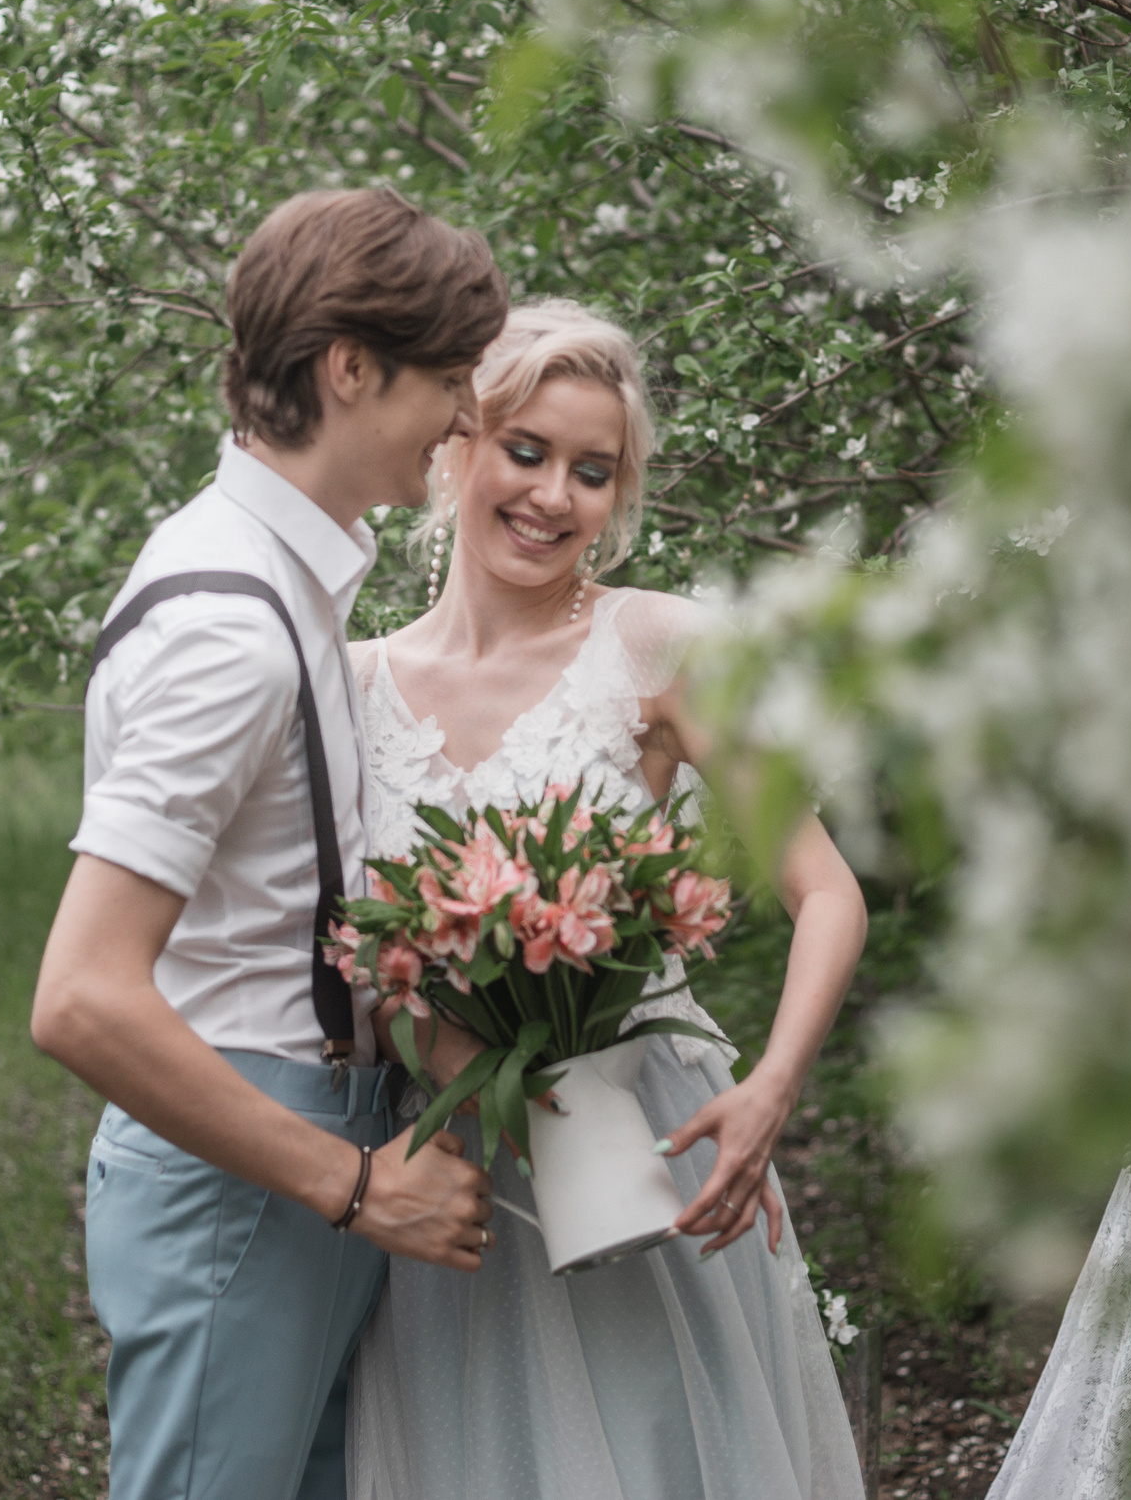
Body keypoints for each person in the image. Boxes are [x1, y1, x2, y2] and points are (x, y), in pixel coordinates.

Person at [343, 299, 870, 1500]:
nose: (553, 497)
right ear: (455, 449)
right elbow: (342, 966)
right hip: (456, 1184)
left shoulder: (661, 647)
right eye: (526, 451)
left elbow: (825, 890)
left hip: (656, 1148)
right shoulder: (353, 681)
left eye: (594, 472)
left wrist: (767, 1095)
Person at [30, 187, 508, 1500]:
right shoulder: (229, 627)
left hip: (289, 1158)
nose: (468, 419)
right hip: (249, 1169)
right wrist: (356, 1183)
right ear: (351, 367)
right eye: (451, 381)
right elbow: (80, 995)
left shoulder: (280, 580)